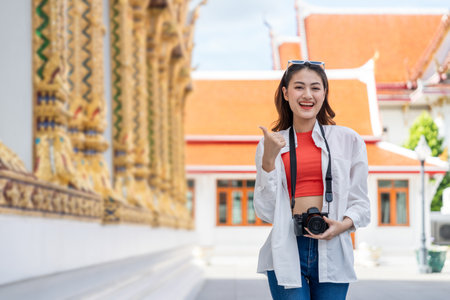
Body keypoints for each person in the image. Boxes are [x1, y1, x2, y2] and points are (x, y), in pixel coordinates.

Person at [254, 60, 370, 300]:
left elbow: (361, 202)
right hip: (287, 246)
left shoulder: (348, 140)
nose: (307, 95)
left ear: (324, 93)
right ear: (285, 93)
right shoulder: (272, 144)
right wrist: (268, 162)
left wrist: (343, 225)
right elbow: (266, 212)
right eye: (299, 87)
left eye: (315, 88)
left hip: (334, 246)